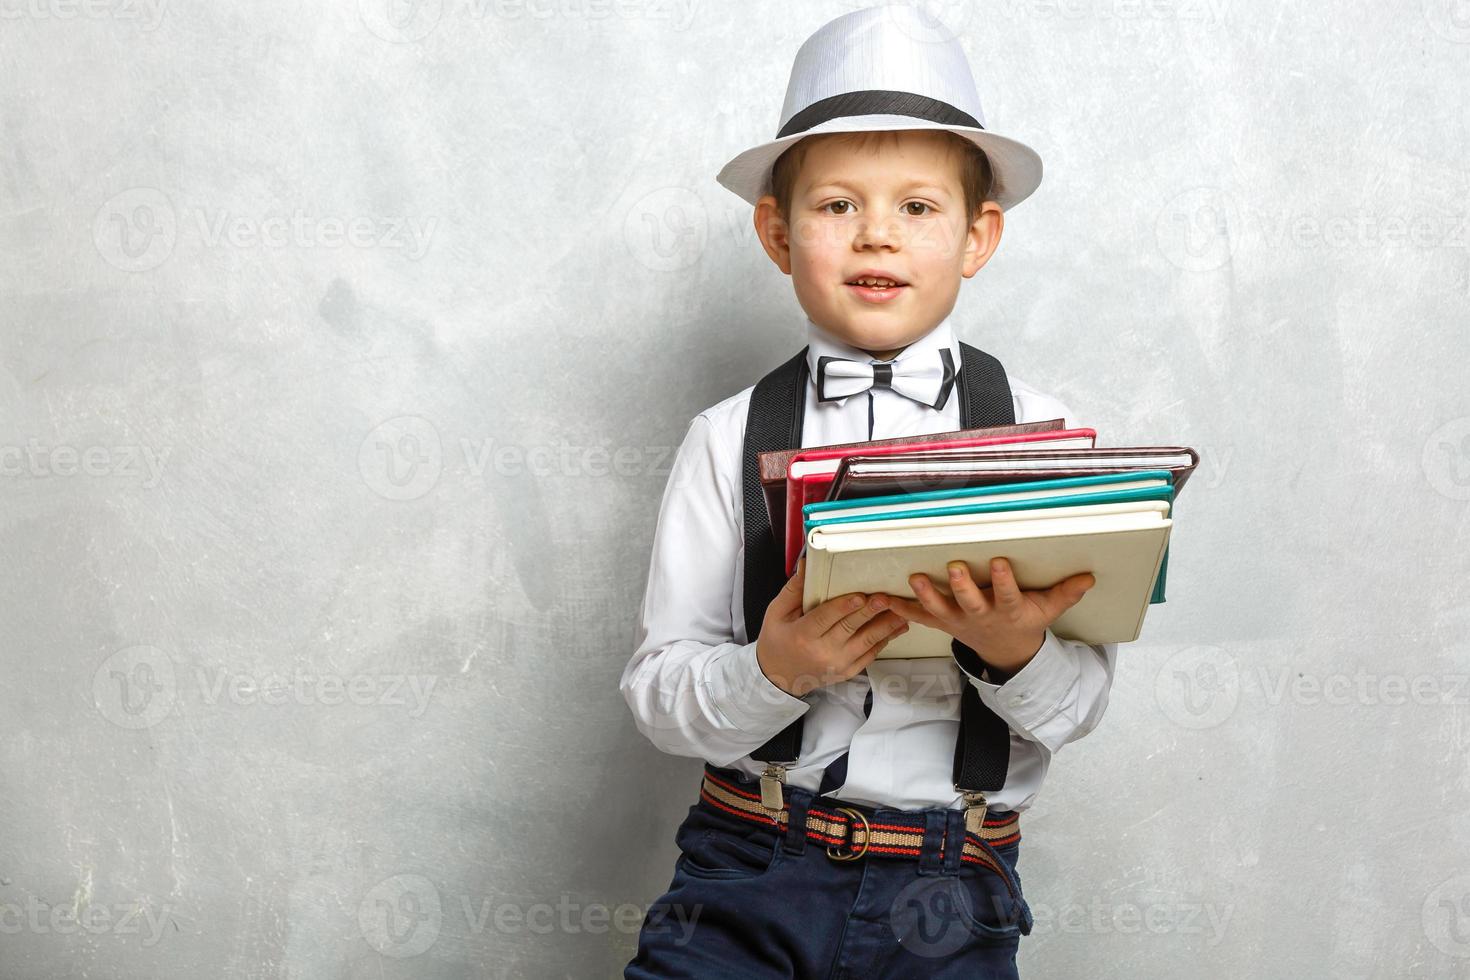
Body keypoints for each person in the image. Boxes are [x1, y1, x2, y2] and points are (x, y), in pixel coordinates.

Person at [621, 6, 1117, 976]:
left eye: (918, 208)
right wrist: (773, 667)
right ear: (777, 231)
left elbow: (1080, 705)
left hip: (952, 884)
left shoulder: (1045, 434)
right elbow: (657, 694)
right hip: (744, 867)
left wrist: (1015, 653)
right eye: (838, 204)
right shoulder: (724, 437)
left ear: (979, 236)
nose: (876, 235)